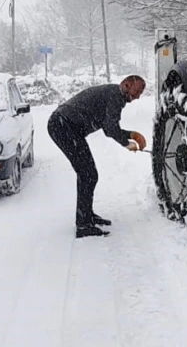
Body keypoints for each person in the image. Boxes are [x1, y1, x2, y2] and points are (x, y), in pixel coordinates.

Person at [47, 74, 147, 238]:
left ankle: (87, 216)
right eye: (137, 91)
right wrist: (128, 141)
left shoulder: (113, 93)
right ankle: (83, 225)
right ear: (127, 85)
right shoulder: (116, 96)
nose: (137, 97)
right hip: (63, 125)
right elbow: (110, 128)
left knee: (88, 174)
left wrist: (131, 135)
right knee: (88, 174)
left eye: (141, 93)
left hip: (64, 125)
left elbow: (109, 126)